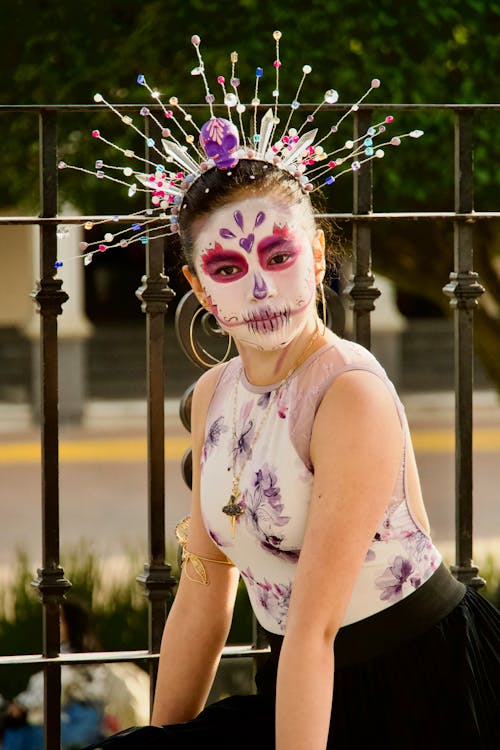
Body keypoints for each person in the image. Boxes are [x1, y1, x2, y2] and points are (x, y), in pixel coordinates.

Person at [68, 34, 500, 750]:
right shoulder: (213, 397)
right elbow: (206, 584)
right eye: (229, 266)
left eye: (278, 254)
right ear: (200, 290)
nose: (260, 284)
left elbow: (314, 626)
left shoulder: (348, 394)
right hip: (303, 687)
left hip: (424, 692)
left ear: (320, 255)